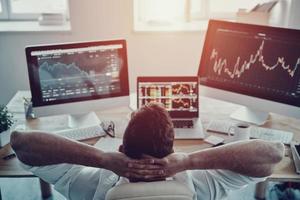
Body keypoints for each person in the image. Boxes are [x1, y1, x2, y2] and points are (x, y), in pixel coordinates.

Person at [11, 103, 285, 200]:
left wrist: (102, 159)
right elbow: (273, 154)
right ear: (172, 151)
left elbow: (21, 144)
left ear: (121, 149)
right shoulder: (201, 187)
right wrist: (190, 161)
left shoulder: (90, 185)